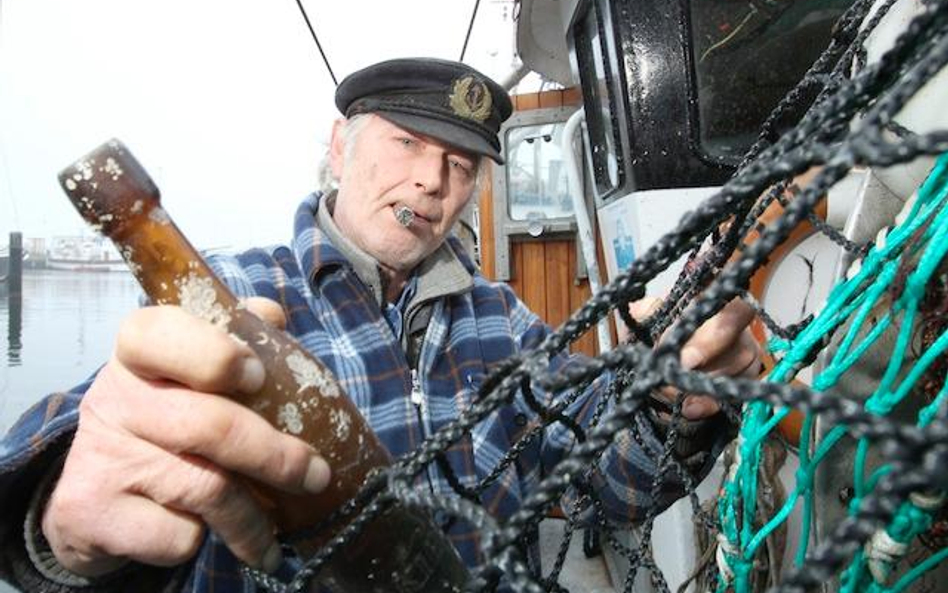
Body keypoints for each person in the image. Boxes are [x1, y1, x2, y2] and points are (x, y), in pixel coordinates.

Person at [0, 58, 760, 592]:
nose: (432, 180)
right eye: (407, 144)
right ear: (339, 148)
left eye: (461, 164)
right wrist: (60, 520)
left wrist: (673, 402)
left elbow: (600, 488)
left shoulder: (505, 320)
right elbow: (82, 445)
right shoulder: (237, 295)